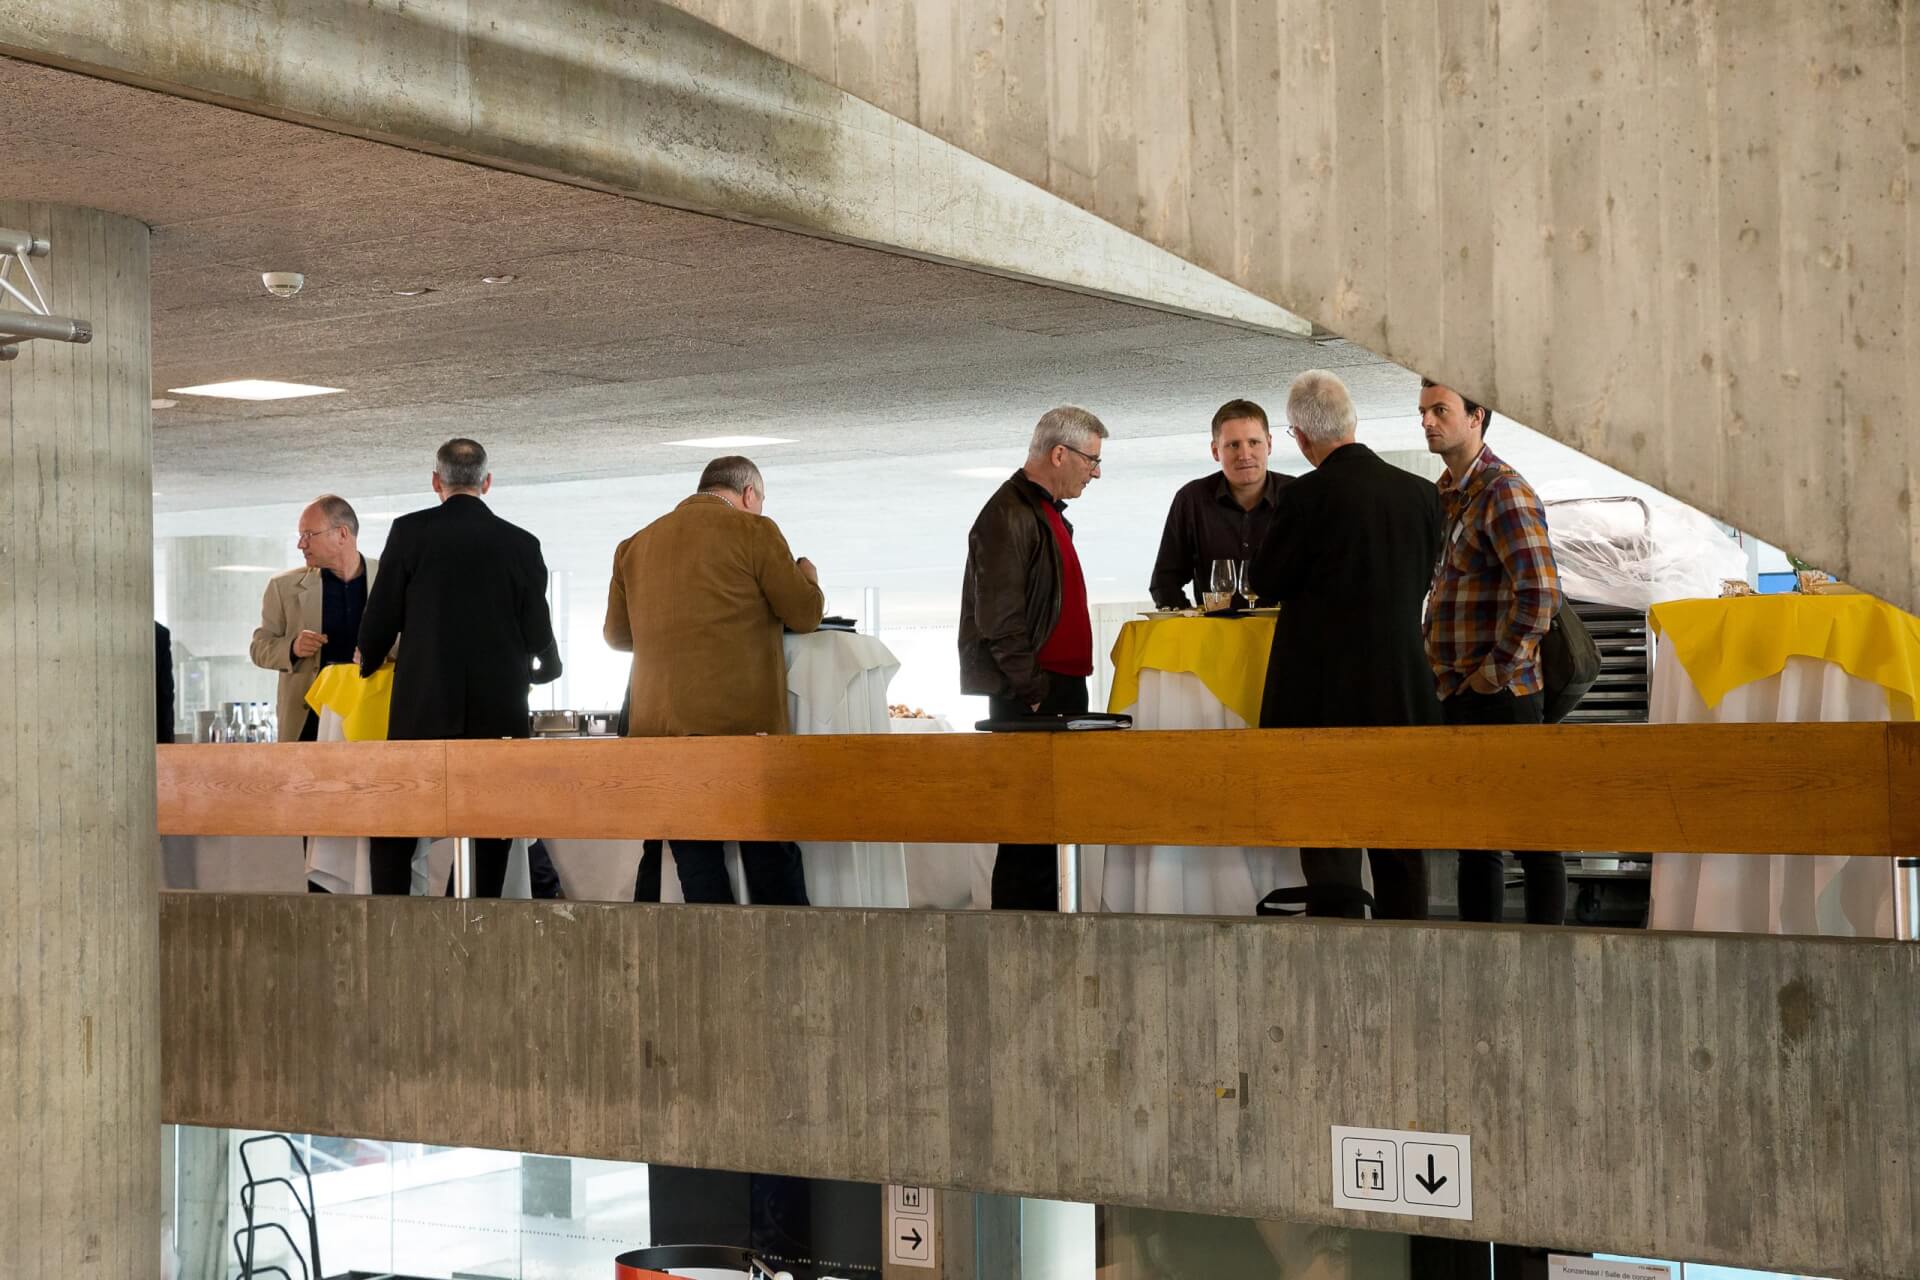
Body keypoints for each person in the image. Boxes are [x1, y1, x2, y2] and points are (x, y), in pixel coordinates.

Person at [1246, 371, 1441, 920]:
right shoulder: (1421, 494)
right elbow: (1425, 578)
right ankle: (1412, 949)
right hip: (1401, 690)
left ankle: (1339, 955)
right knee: (1401, 842)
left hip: (1321, 697)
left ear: (1300, 438)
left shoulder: (1303, 496)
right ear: (1352, 422)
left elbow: (1270, 579)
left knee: (1329, 838)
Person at [604, 455, 822, 905]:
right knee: (768, 850)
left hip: (659, 732)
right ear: (748, 495)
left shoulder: (635, 544)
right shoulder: (755, 532)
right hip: (741, 729)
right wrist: (808, 577)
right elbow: (804, 614)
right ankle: (786, 950)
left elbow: (618, 636)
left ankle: (715, 957)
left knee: (695, 855)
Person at [358, 439, 558, 897]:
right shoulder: (521, 544)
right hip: (498, 717)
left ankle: (392, 916)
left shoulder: (408, 533)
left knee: (399, 826)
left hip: (422, 711)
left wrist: (368, 661)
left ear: (436, 482)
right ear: (487, 483)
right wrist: (541, 667)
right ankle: (473, 916)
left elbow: (381, 617)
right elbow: (537, 634)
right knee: (490, 830)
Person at [1420, 378, 1566, 925]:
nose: (1429, 422)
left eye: (1441, 410)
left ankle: (1548, 957)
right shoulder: (1446, 492)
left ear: (1477, 416)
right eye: (1423, 412)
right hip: (1458, 689)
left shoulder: (1504, 490)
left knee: (1531, 836)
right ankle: (1480, 957)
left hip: (1501, 694)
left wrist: (1493, 673)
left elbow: (1541, 593)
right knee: (1475, 840)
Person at [958, 405, 1107, 910]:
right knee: (1027, 829)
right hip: (1033, 694)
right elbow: (999, 619)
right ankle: (1021, 936)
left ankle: (1041, 929)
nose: (1096, 471)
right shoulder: (1007, 514)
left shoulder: (1039, 511)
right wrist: (1034, 693)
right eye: (1091, 459)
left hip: (1052, 688)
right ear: (1059, 454)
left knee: (1048, 824)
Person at [249, 495, 380, 742]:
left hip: (371, 715)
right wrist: (292, 647)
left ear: (342, 534)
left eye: (309, 535)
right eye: (301, 535)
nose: (301, 544)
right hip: (309, 722)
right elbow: (259, 648)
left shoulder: (391, 579)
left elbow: (418, 640)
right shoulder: (283, 587)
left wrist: (383, 649)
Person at [1148, 398, 1294, 608]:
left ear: (1269, 444)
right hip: (1215, 634)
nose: (1245, 455)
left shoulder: (1298, 496)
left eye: (1254, 442)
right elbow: (1164, 583)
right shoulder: (1191, 500)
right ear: (1215, 450)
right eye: (1233, 445)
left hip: (1286, 636)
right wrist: (1192, 624)